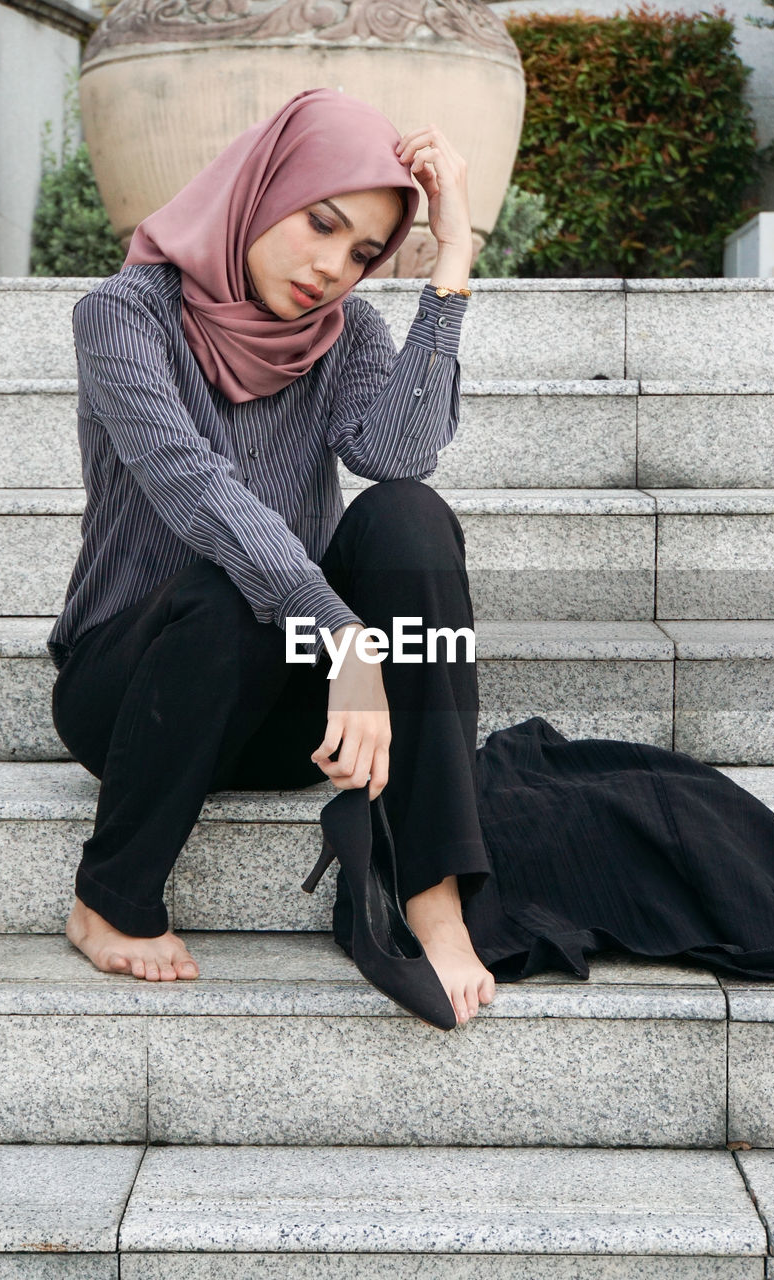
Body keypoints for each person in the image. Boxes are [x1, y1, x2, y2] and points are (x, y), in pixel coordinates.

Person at [49, 87, 497, 1029]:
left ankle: (433, 889)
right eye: (321, 225)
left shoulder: (347, 335)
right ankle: (110, 898)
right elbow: (192, 488)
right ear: (262, 190)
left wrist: (450, 260)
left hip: (293, 702)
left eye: (363, 253)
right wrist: (340, 630)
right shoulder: (124, 315)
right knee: (222, 588)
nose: (334, 268)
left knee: (409, 516)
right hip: (140, 687)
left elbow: (396, 454)